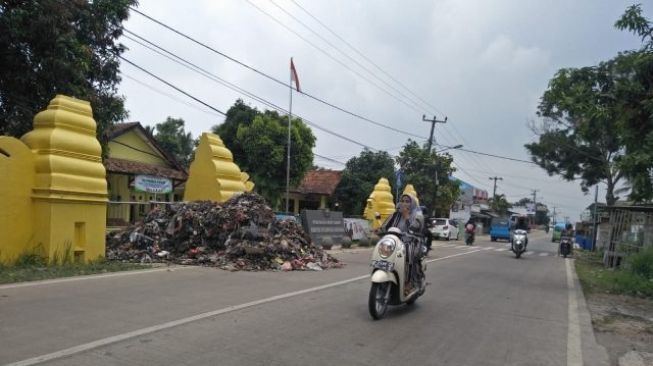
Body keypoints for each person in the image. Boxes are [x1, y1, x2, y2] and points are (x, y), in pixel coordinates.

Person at [380, 193, 424, 294]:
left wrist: (406, 216)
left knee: (408, 252)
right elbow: (385, 226)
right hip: (395, 242)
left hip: (412, 241)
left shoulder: (417, 216)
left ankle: (408, 283)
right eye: (402, 201)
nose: (404, 204)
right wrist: (378, 230)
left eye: (407, 202)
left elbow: (414, 229)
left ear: (412, 204)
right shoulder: (395, 214)